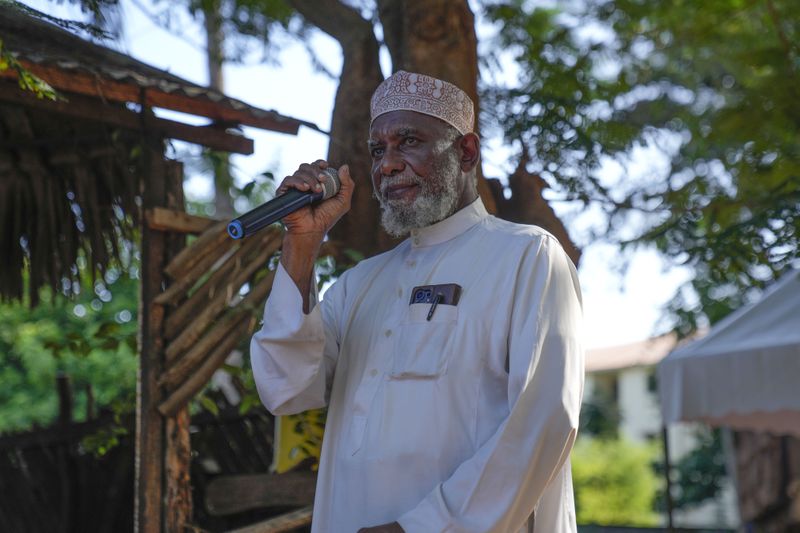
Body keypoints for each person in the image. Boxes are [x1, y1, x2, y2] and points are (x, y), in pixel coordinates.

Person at [251, 70, 584, 533]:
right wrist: (302, 244)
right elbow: (283, 388)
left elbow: (545, 417)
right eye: (377, 150)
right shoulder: (359, 285)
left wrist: (419, 527)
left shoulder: (527, 256)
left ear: (466, 151)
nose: (387, 165)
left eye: (408, 141)